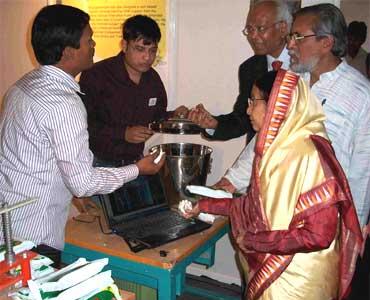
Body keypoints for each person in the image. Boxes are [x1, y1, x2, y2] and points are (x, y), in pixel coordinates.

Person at [182, 69, 363, 300]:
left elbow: (319, 234)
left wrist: (255, 241)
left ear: (278, 103)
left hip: (297, 279)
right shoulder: (277, 149)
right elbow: (255, 207)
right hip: (279, 269)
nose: (248, 108)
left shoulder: (308, 155)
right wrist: (205, 205)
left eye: (254, 101)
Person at [0, 5, 164, 266]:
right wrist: (138, 169)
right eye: (89, 40)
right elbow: (83, 182)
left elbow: (40, 156)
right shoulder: (64, 102)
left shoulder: (21, 86)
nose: (94, 45)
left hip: (9, 221)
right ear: (68, 52)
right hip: (34, 234)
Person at [214, 4, 370, 232]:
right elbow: (266, 138)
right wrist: (230, 182)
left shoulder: (360, 95)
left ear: (326, 42)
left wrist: (352, 228)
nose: (290, 45)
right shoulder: (292, 84)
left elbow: (363, 173)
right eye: (290, 37)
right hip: (278, 212)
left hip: (324, 223)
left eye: (297, 37)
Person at [79, 15, 188, 167]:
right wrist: (123, 133)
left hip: (136, 162)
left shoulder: (152, 79)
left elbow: (156, 117)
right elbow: (83, 123)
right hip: (98, 163)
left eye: (152, 50)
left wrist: (174, 115)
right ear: (124, 45)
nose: (147, 57)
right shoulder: (97, 75)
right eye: (140, 49)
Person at [187, 0, 292, 142]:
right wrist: (214, 124)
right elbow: (242, 119)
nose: (253, 36)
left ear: (283, 28)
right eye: (250, 30)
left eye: (260, 28)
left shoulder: (304, 63)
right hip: (260, 157)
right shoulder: (249, 68)